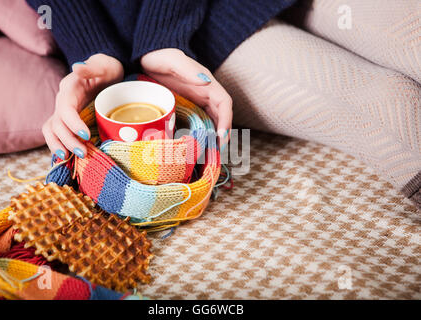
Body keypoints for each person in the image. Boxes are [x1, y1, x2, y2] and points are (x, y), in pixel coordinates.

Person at [26, 0, 421, 209]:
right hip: (190, 36)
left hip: (163, 29)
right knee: (392, 106)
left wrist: (160, 34)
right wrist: (95, 55)